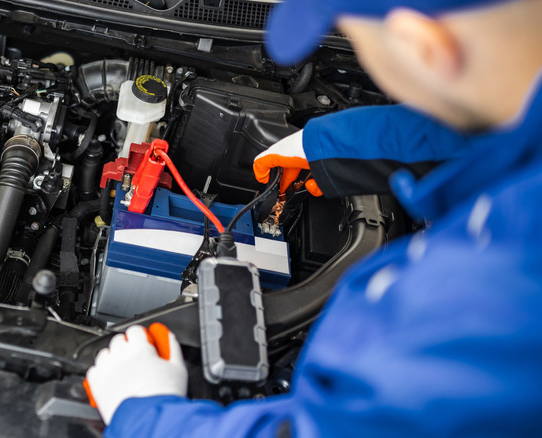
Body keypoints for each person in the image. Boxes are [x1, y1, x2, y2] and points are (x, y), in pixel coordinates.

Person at [85, 0, 542, 436]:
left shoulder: (499, 297)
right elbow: (487, 124)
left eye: (355, 36)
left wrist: (144, 414)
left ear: (424, 45)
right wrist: (325, 147)